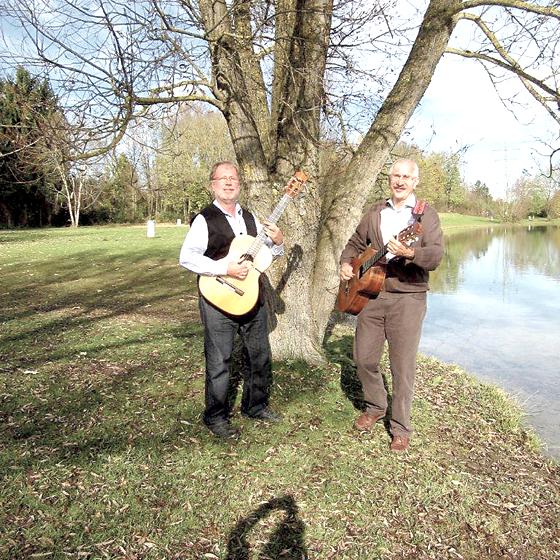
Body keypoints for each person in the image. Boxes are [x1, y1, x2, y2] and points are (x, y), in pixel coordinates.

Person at [339, 158, 444, 452]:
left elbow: (435, 256)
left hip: (408, 297)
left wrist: (410, 252)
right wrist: (346, 264)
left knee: (402, 367)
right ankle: (375, 405)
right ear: (389, 178)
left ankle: (400, 427)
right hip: (370, 296)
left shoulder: (426, 216)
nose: (400, 181)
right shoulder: (375, 211)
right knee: (364, 358)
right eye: (395, 175)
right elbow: (355, 244)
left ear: (415, 182)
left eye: (406, 177)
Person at [179, 161, 284, 439]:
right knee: (219, 360)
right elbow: (187, 257)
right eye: (222, 179)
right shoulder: (204, 219)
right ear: (212, 184)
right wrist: (225, 268)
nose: (228, 183)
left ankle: (256, 406)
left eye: (233, 179)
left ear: (240, 184)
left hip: (251, 295)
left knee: (259, 355)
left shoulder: (251, 218)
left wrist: (279, 242)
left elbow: (265, 256)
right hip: (217, 296)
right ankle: (215, 417)